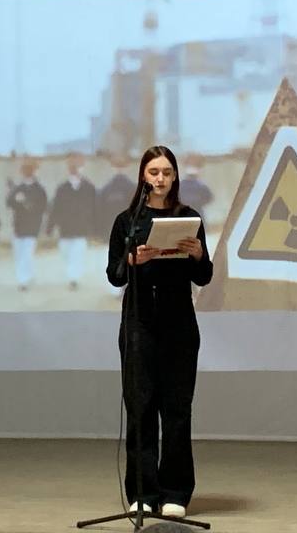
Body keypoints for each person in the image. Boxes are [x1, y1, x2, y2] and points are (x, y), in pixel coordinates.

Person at [106, 145, 212, 520]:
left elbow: (204, 276)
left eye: (167, 172)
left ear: (175, 176)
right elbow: (114, 275)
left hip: (179, 321)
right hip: (140, 323)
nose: (160, 178)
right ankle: (143, 492)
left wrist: (198, 254)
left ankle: (176, 491)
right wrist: (132, 259)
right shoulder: (127, 221)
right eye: (154, 172)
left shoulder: (188, 216)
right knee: (141, 409)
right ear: (143, 176)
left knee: (177, 410)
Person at [46, 152, 96, 290]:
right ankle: (72, 275)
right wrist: (50, 227)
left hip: (81, 228)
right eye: (71, 166)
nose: (74, 168)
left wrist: (95, 228)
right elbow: (54, 208)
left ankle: (73, 279)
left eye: (77, 165)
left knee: (77, 254)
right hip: (65, 228)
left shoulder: (89, 187)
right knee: (66, 253)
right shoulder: (62, 188)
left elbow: (95, 209)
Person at [6, 158, 48, 290]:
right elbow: (9, 202)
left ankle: (22, 280)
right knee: (19, 254)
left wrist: (31, 207)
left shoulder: (39, 188)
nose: (27, 171)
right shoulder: (17, 188)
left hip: (32, 226)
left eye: (30, 168)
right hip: (18, 226)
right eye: (25, 168)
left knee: (27, 253)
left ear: (34, 170)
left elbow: (44, 206)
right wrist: (18, 201)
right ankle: (28, 275)